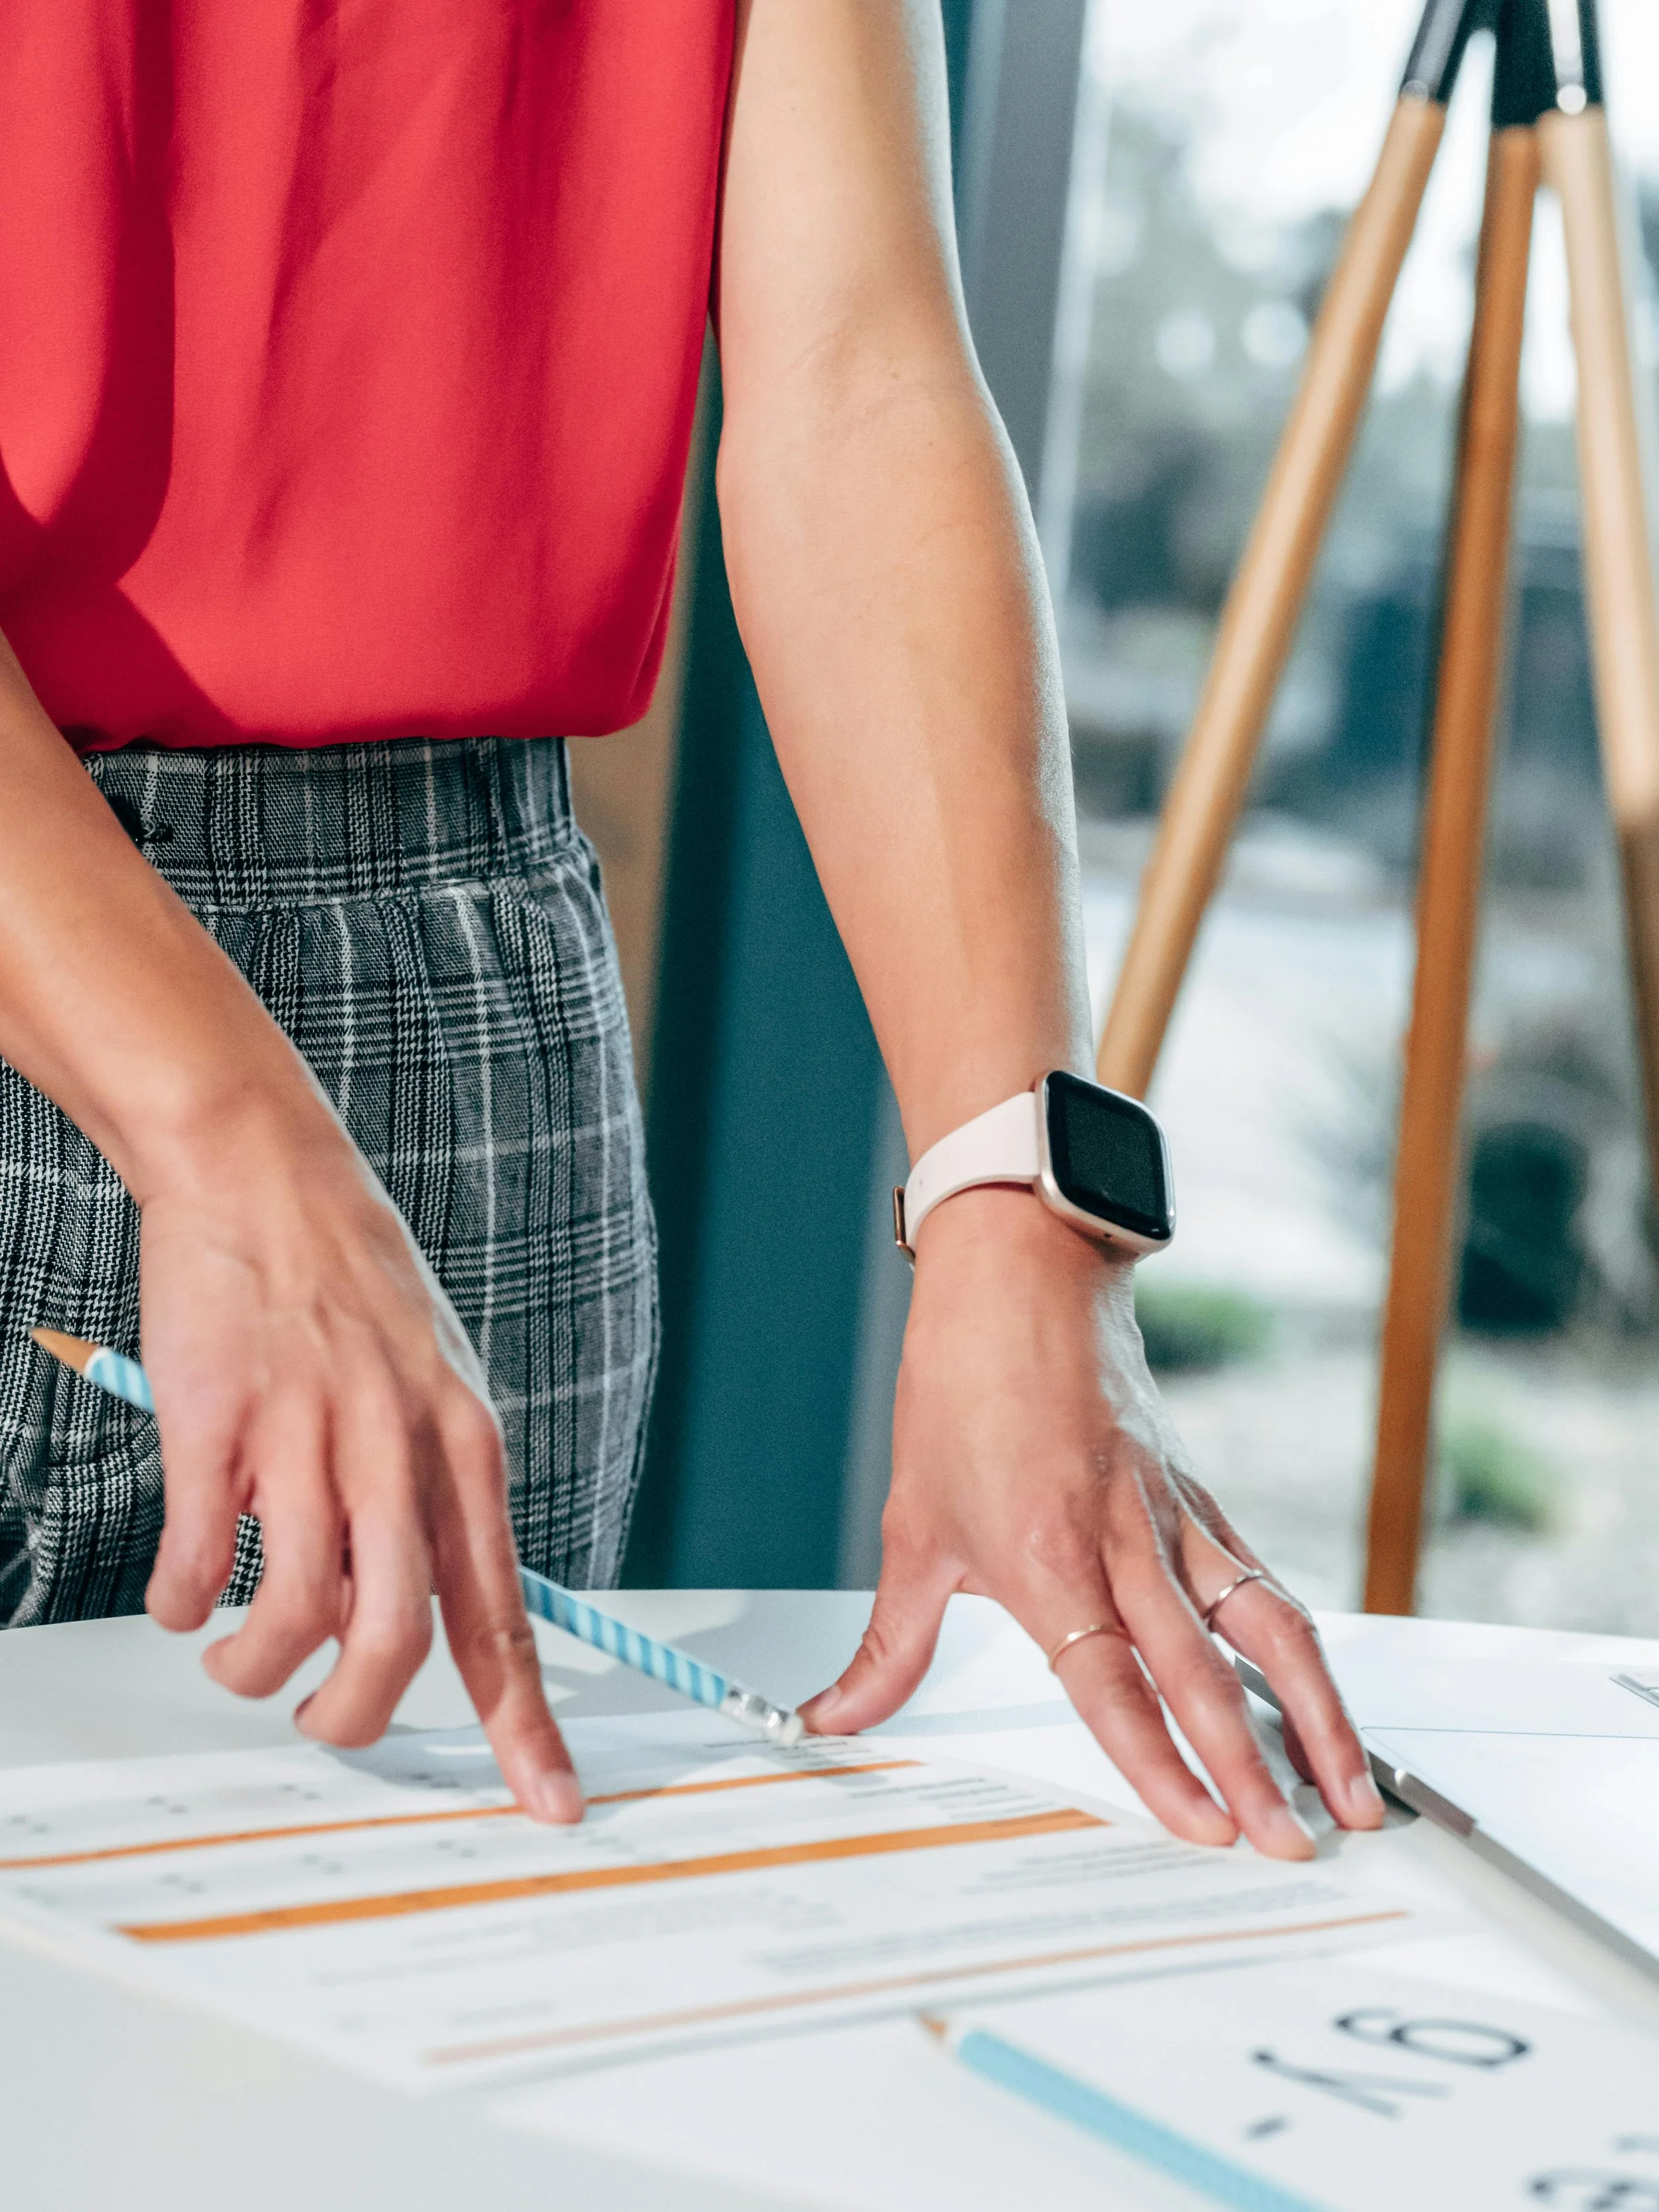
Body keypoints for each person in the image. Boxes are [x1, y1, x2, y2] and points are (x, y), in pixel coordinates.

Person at [0, 1, 1383, 1854]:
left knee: (400, 2079)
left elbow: (854, 379)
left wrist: (1010, 1215)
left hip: (467, 1042)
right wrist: (218, 1129)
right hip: (174, 1015)